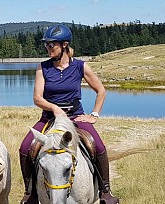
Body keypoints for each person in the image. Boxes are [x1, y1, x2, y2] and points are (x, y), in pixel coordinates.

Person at [18, 25, 120, 204]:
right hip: (49, 118)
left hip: (75, 117)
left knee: (98, 146)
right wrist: (53, 108)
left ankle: (106, 191)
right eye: (46, 45)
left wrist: (94, 115)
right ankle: (31, 192)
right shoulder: (43, 68)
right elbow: (37, 98)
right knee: (26, 147)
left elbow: (101, 90)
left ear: (64, 45)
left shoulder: (80, 66)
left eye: (52, 45)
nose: (48, 48)